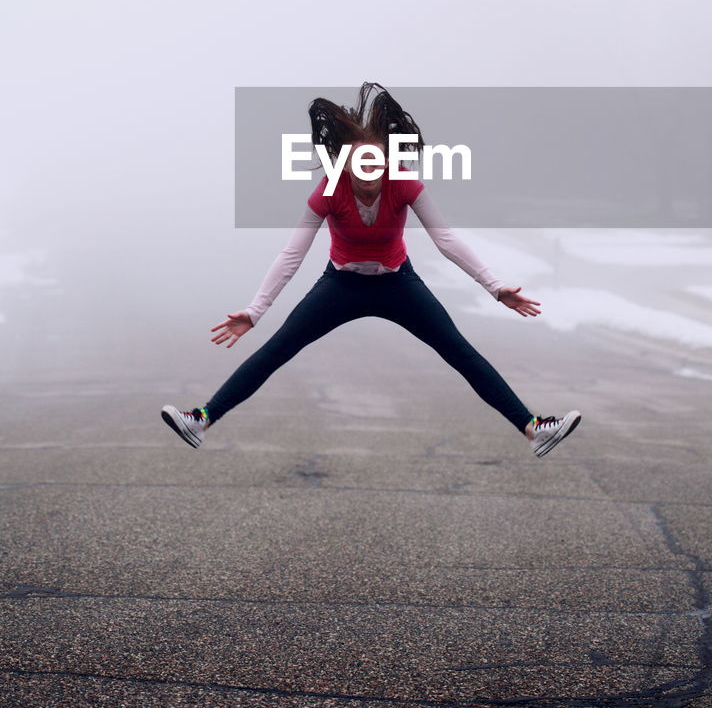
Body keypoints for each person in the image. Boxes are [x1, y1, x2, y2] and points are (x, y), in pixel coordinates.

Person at [162, 83, 580, 458]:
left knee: (460, 352)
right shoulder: (328, 192)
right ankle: (202, 418)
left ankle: (533, 428)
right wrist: (255, 311)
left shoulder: (406, 184)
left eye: (376, 163)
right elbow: (292, 254)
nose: (369, 174)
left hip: (398, 284)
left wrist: (495, 287)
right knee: (277, 349)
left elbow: (446, 238)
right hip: (340, 286)